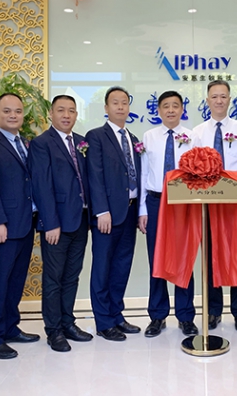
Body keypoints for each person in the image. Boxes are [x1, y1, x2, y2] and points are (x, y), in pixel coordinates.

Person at [30, 95, 94, 352]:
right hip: (56, 223)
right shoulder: (41, 143)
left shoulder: (81, 141)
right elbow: (41, 185)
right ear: (51, 114)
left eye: (71, 111)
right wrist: (50, 222)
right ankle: (53, 330)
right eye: (61, 110)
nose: (66, 115)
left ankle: (68, 323)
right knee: (53, 278)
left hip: (81, 220)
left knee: (71, 276)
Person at [0, 93, 41, 360]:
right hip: (3, 226)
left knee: (15, 281)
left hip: (25, 223)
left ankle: (9, 327)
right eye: (7, 111)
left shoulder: (24, 143)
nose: (13, 115)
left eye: (17, 111)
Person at [192, 80, 237, 331]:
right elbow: (192, 169)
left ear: (229, 100)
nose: (219, 101)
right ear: (207, 101)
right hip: (208, 202)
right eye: (214, 96)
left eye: (223, 96)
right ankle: (213, 310)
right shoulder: (197, 132)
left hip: (235, 199)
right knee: (211, 256)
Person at [137, 91, 199, 338]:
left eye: (175, 105)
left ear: (182, 109)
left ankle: (186, 316)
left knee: (184, 258)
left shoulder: (192, 137)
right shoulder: (149, 136)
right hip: (155, 201)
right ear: (159, 110)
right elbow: (143, 173)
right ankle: (157, 316)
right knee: (157, 259)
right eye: (166, 106)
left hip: (183, 202)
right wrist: (142, 209)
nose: (171, 110)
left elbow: (199, 175)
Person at [86, 86, 143, 341]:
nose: (120, 107)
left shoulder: (134, 139)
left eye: (124, 102)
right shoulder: (96, 136)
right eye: (115, 102)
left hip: (130, 212)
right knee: (102, 268)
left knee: (121, 266)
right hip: (107, 214)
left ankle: (117, 315)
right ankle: (104, 322)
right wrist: (101, 210)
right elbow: (94, 175)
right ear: (106, 108)